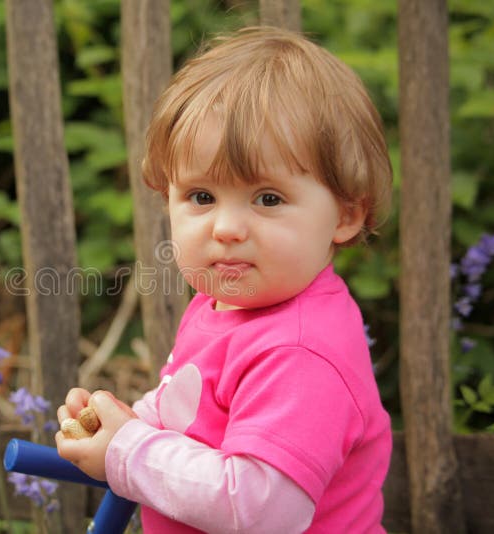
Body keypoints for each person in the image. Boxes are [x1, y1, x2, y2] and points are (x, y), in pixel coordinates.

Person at [56, 26, 393, 533]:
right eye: (201, 197)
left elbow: (262, 510)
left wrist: (128, 451)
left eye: (268, 198)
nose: (227, 228)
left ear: (346, 214)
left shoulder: (300, 353)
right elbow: (196, 408)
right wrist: (126, 422)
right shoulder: (227, 304)